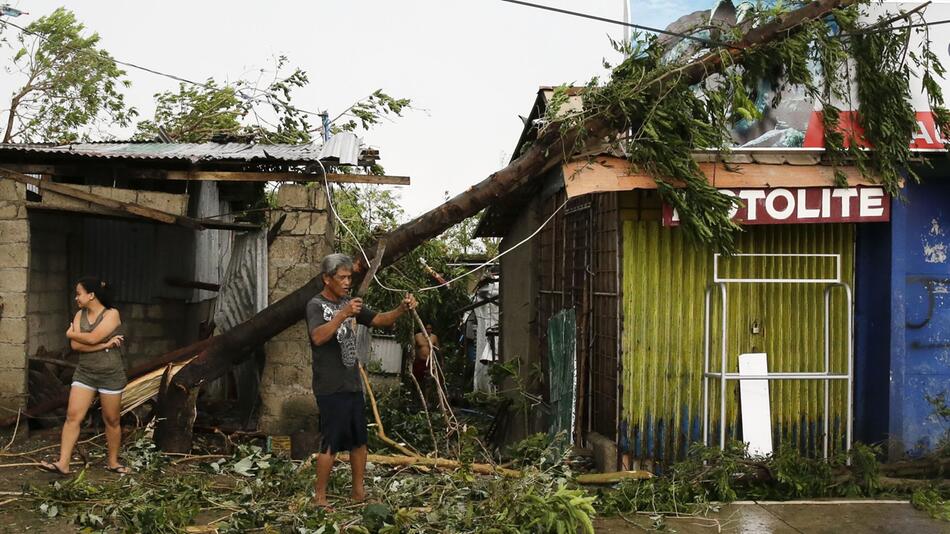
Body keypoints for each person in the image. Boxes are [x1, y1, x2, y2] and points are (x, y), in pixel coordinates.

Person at [307, 253, 417, 508]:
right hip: (330, 386)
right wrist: (342, 315)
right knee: (331, 442)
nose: (347, 282)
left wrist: (401, 309)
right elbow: (318, 338)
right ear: (326, 278)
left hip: (352, 383)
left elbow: (379, 319)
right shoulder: (315, 305)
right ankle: (319, 498)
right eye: (342, 277)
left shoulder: (349, 302)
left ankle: (358, 492)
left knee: (359, 441)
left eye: (350, 277)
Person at [40, 277, 128, 475]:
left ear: (91, 295)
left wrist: (71, 334)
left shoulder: (112, 314)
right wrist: (105, 345)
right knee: (72, 417)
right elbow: (77, 346)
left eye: (79, 293)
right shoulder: (80, 315)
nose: (76, 298)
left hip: (110, 375)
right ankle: (63, 463)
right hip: (85, 373)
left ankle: (113, 462)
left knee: (111, 420)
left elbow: (92, 337)